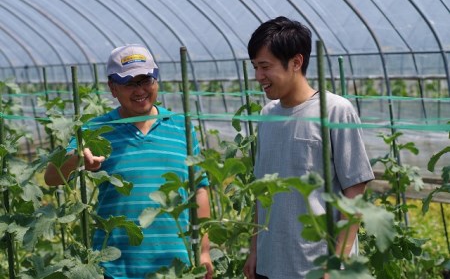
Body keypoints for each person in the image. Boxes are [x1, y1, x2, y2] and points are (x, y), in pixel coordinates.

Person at [45, 44, 213, 279]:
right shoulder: (95, 130)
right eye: (129, 83)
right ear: (112, 87)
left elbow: (200, 190)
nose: (139, 90)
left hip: (177, 267)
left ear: (156, 80)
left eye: (146, 80)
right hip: (116, 268)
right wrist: (76, 159)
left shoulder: (181, 126)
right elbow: (51, 177)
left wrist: (204, 251)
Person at [243, 17, 374, 279]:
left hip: (317, 267)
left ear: (296, 62)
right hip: (270, 265)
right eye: (256, 67)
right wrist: (255, 251)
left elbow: (355, 190)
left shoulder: (335, 110)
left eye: (265, 66)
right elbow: (262, 193)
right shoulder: (267, 116)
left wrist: (337, 260)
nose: (259, 76)